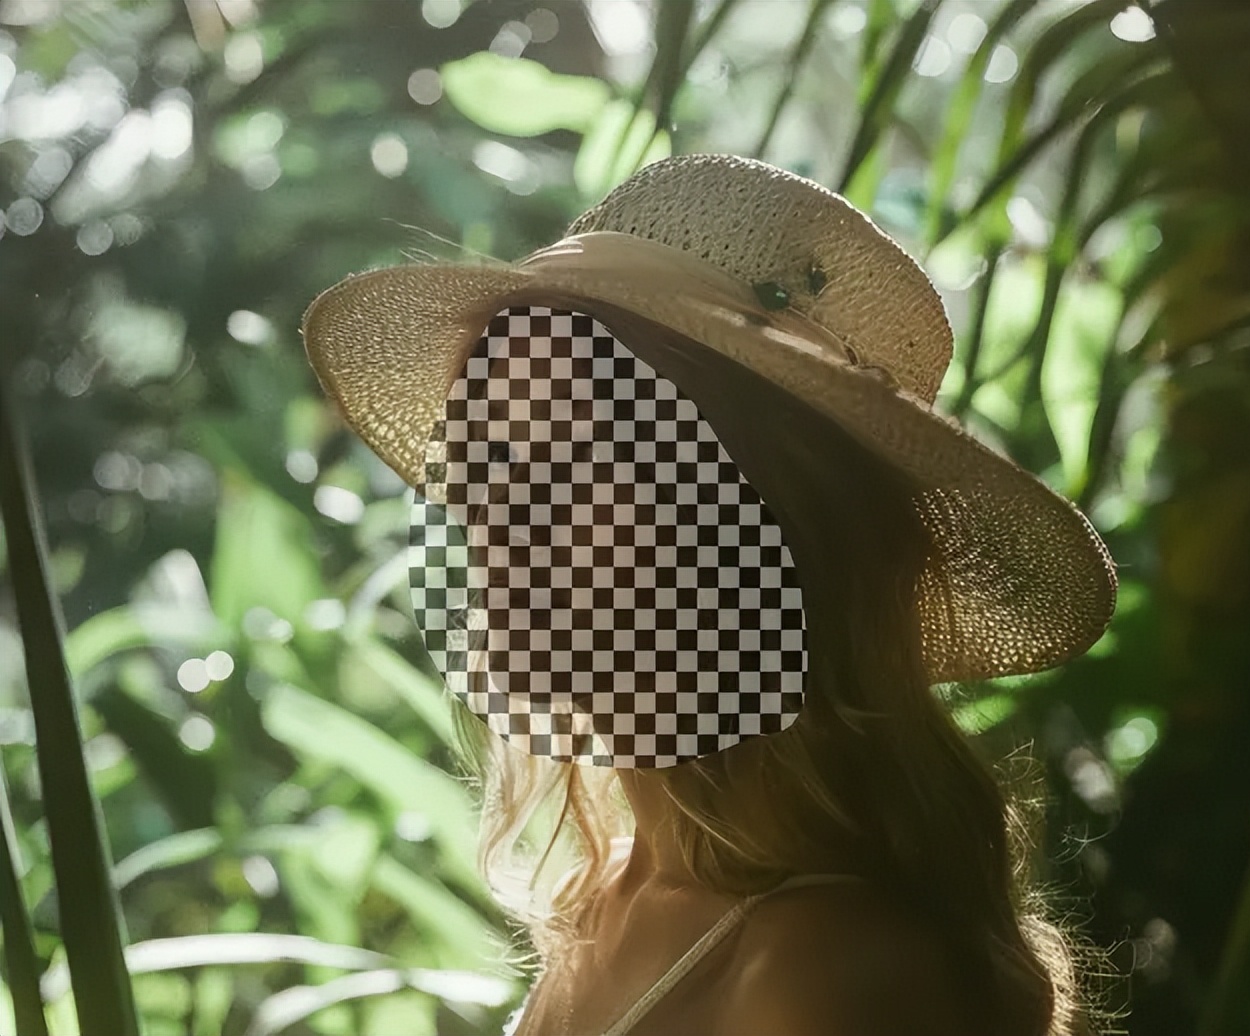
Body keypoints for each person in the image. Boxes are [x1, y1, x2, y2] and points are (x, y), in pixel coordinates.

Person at [302, 154, 1116, 1035]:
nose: (496, 523)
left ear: (779, 533)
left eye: (572, 468)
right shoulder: (608, 893)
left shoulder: (821, 975)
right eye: (479, 467)